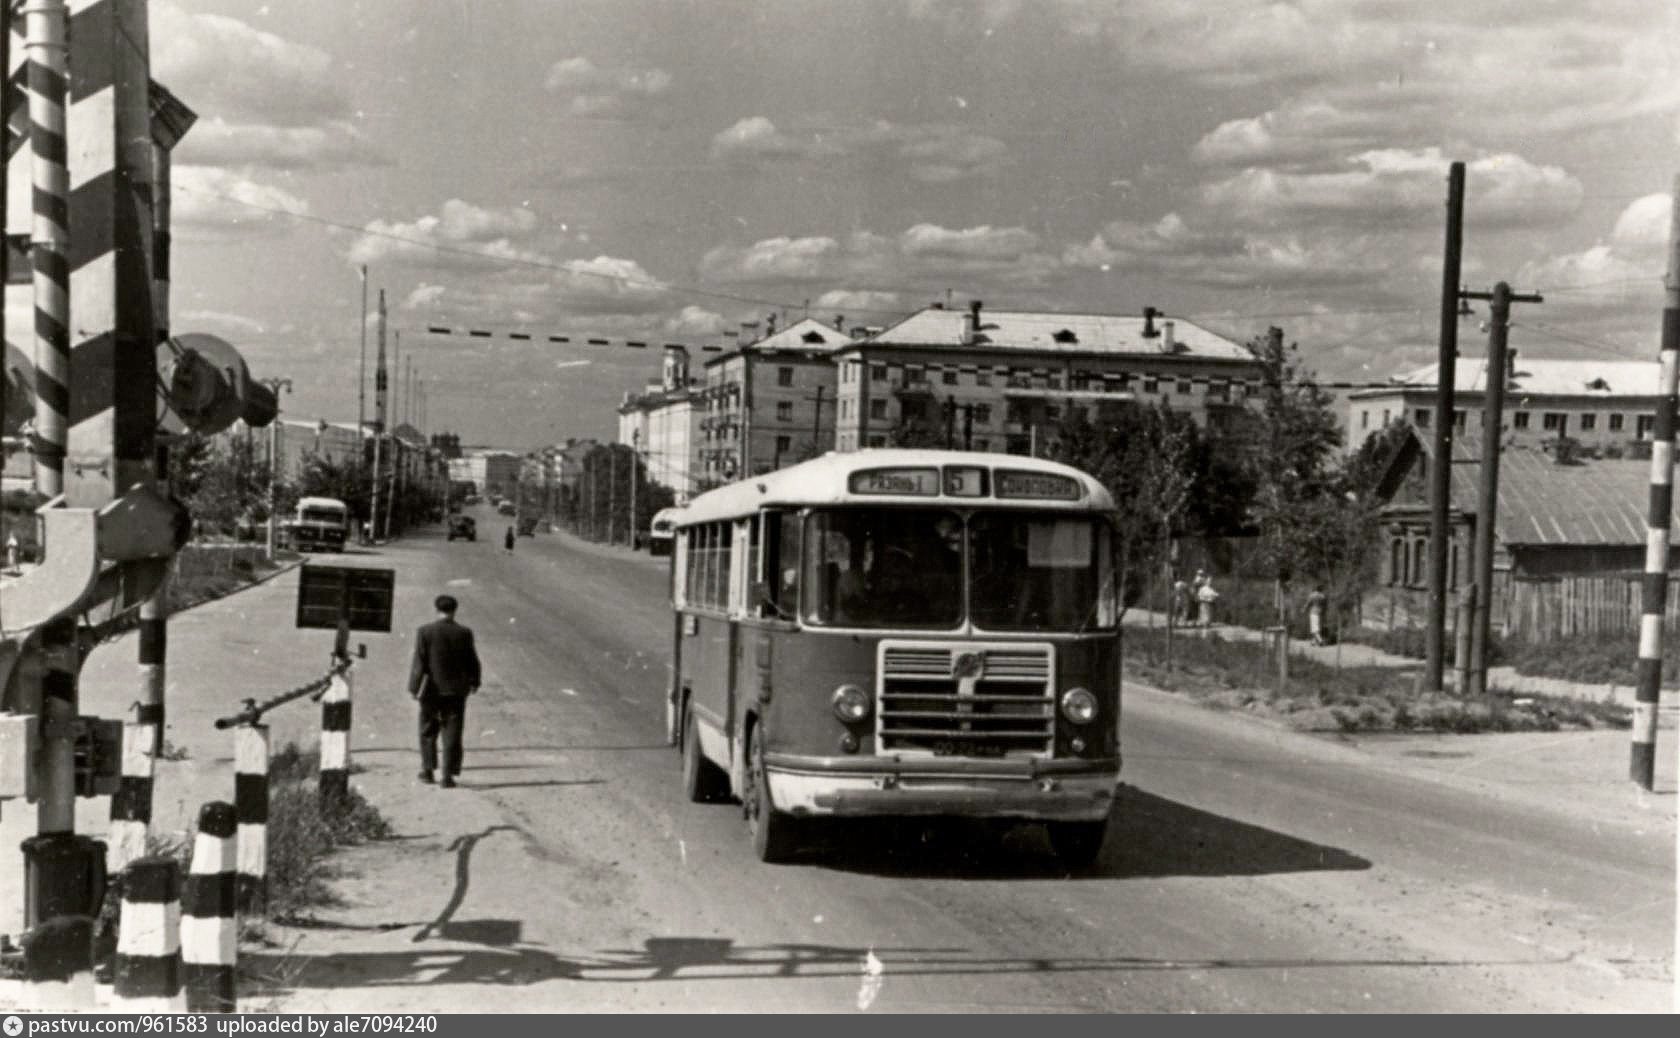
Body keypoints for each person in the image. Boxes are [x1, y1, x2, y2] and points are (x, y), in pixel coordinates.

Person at [408, 594, 482, 788]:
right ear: (454, 610)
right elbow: (472, 660)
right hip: (456, 691)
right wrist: (475, 681)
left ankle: (428, 770)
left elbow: (419, 662)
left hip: (431, 690)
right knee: (452, 732)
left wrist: (414, 687)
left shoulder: (425, 631)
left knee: (427, 729)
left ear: (436, 609)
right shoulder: (464, 633)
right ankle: (447, 776)